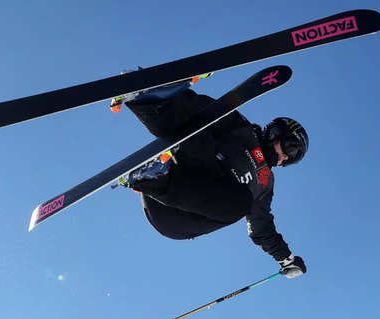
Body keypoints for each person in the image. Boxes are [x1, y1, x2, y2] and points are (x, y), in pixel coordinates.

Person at [115, 78, 308, 278]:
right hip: (179, 175)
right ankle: (147, 99)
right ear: (275, 132)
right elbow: (202, 108)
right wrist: (170, 92)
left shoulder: (266, 184)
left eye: (292, 159)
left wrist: (286, 259)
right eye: (290, 148)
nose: (286, 157)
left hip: (178, 219)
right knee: (203, 123)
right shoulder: (241, 128)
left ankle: (156, 177)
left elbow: (262, 228)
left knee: (241, 203)